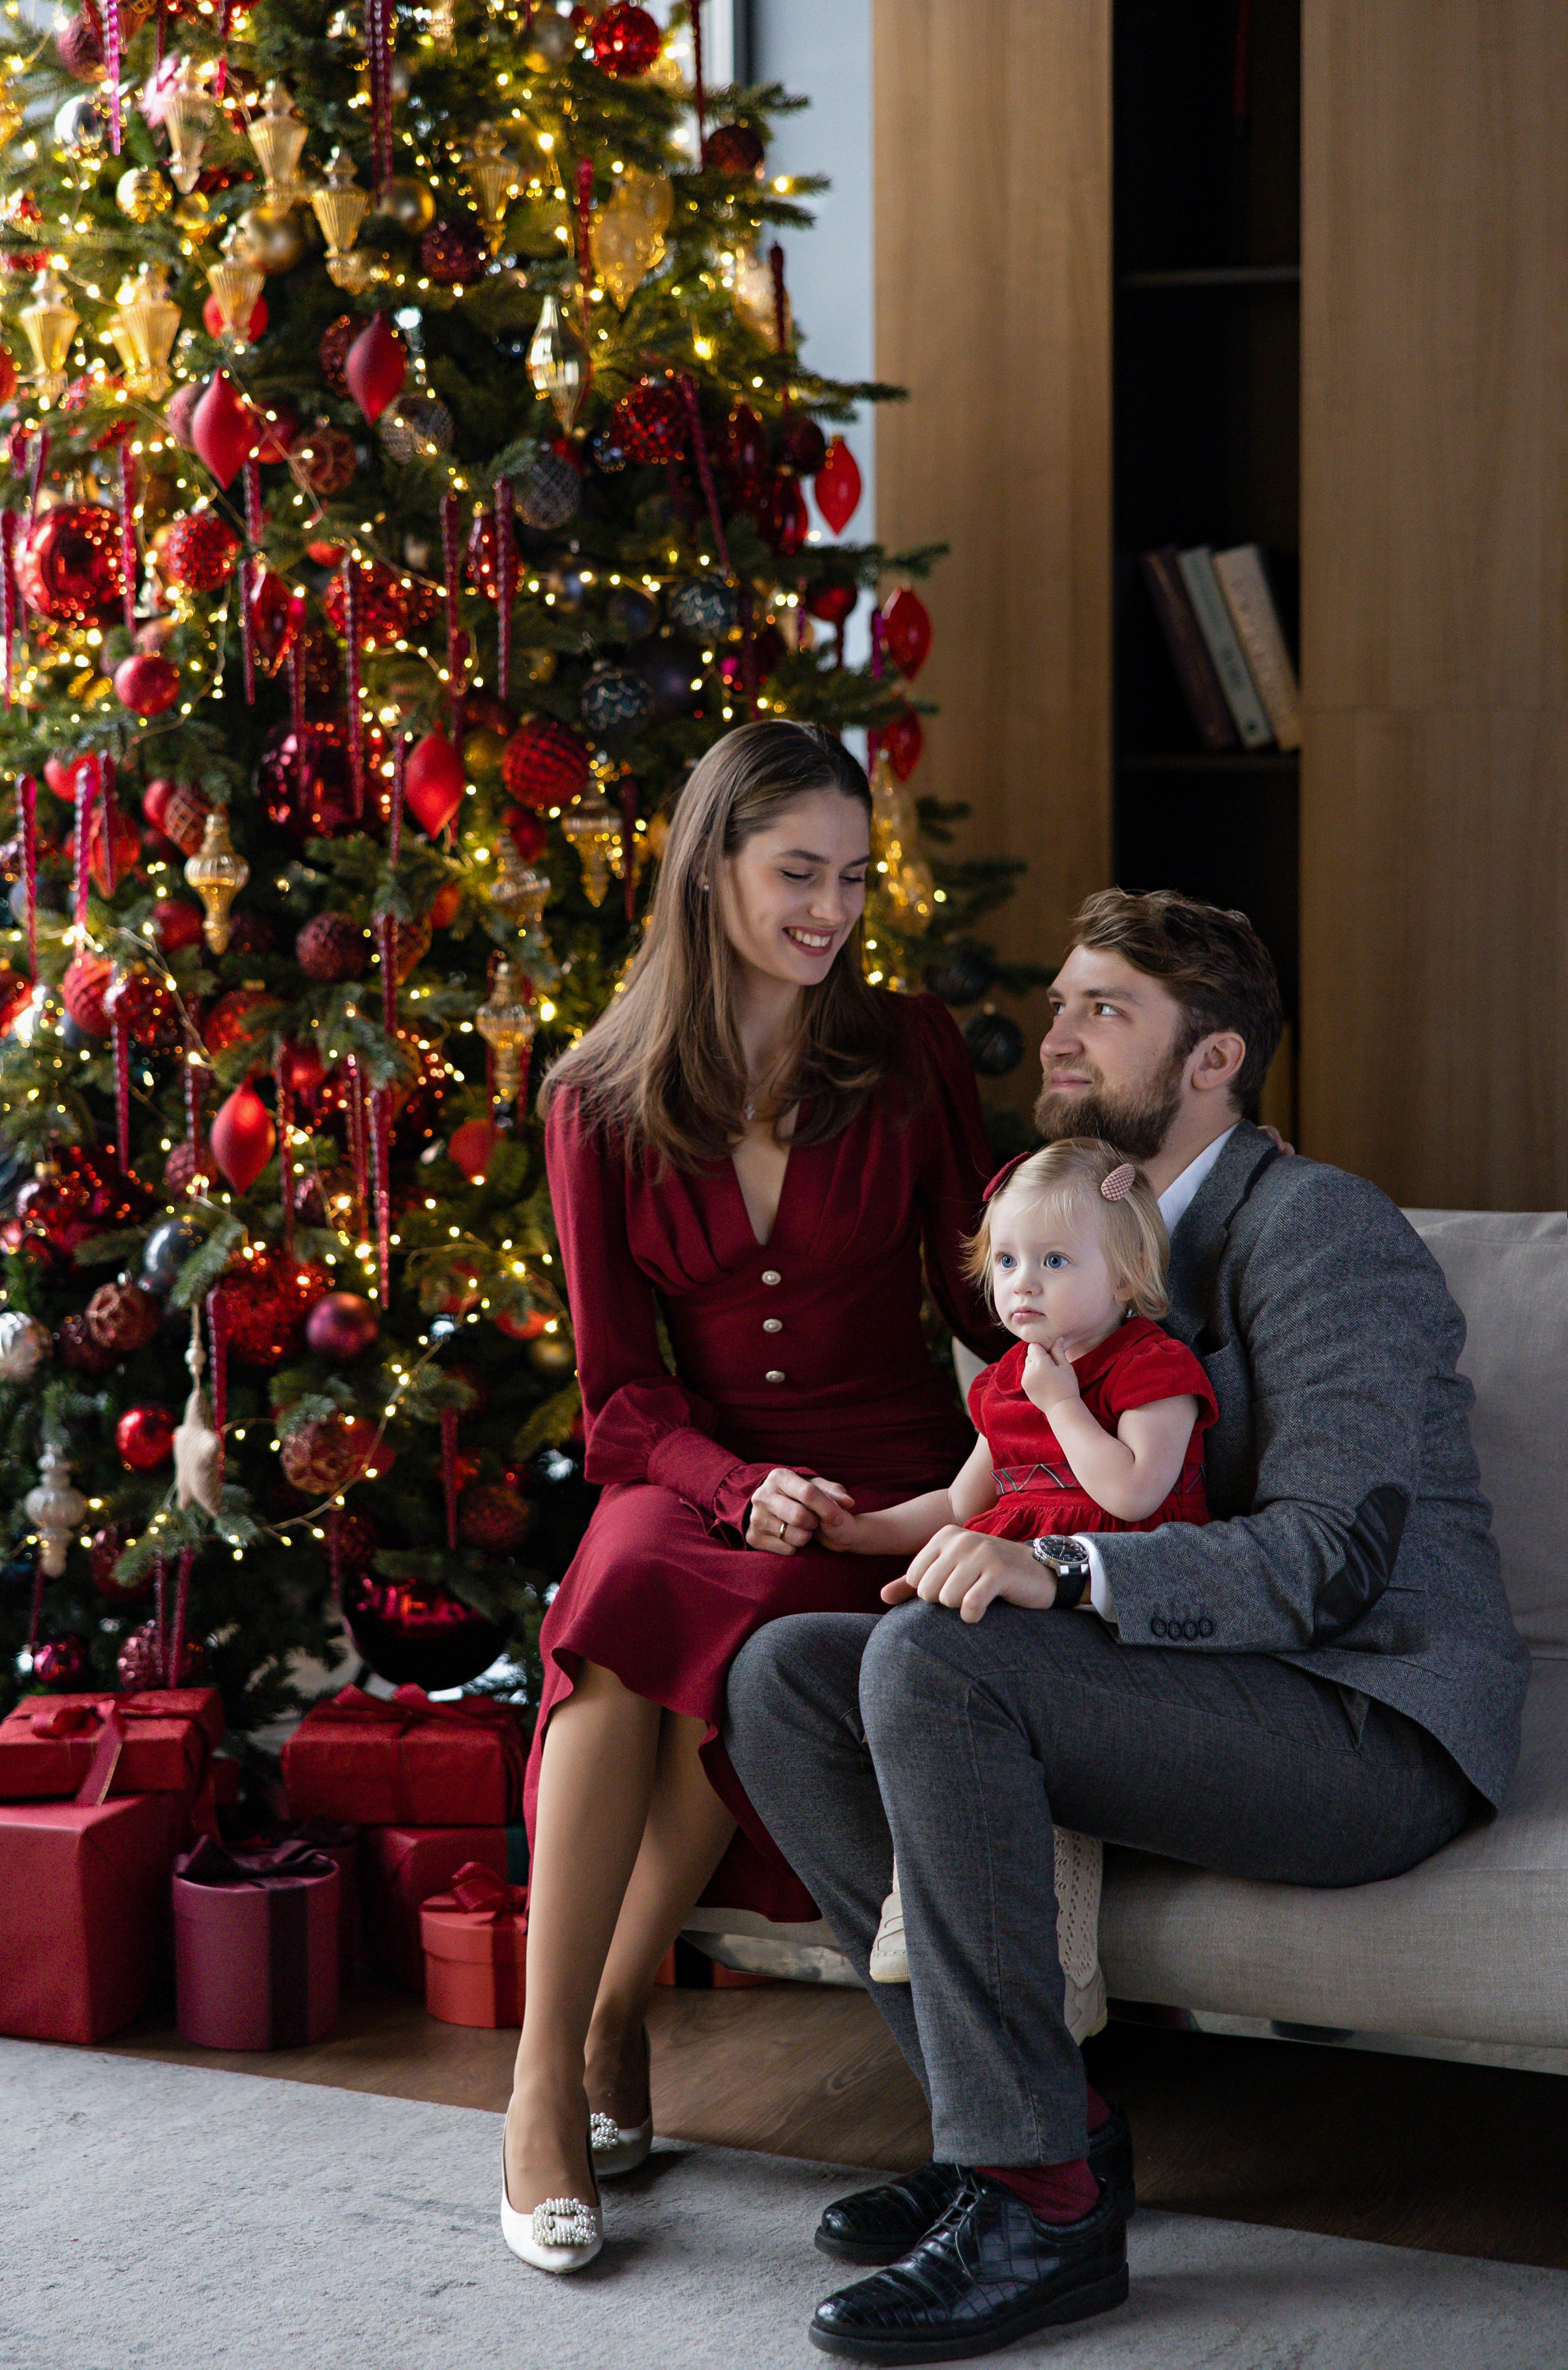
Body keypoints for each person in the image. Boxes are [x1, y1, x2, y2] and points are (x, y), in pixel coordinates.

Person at [724, 886, 1530, 2365]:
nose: (1059, 1032)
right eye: (1058, 1003)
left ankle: (1036, 2211)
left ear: (1214, 1058)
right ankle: (1035, 2141)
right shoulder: (1072, 1251)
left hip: (1357, 1721)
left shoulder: (1316, 1229)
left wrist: (1072, 1579)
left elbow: (1335, 1556)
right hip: (1183, 1701)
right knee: (784, 1677)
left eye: (1106, 1006)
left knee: (937, 1654)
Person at [499, 720, 1005, 2274]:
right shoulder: (592, 1095)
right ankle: (536, 2088)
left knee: (751, 1665)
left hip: (890, 1482)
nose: (831, 910)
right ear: (706, 865)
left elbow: (984, 1302)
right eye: (796, 873)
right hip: (697, 1463)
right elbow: (616, 1399)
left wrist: (1021, 1458)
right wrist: (736, 1481)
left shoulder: (909, 1049)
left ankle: (607, 2016)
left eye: (851, 877)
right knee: (626, 1591)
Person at [791, 1138, 1215, 2039]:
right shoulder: (1002, 1383)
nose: (1024, 1284)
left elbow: (1135, 1491)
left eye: (1056, 1262)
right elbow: (960, 1500)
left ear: (1131, 1276)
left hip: (1115, 1612)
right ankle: (920, 1895)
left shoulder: (1151, 1367)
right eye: (1008, 1261)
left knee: (1000, 1701)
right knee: (910, 1682)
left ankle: (1061, 1967)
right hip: (1008, 1594)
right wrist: (862, 1529)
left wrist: (1064, 1406)